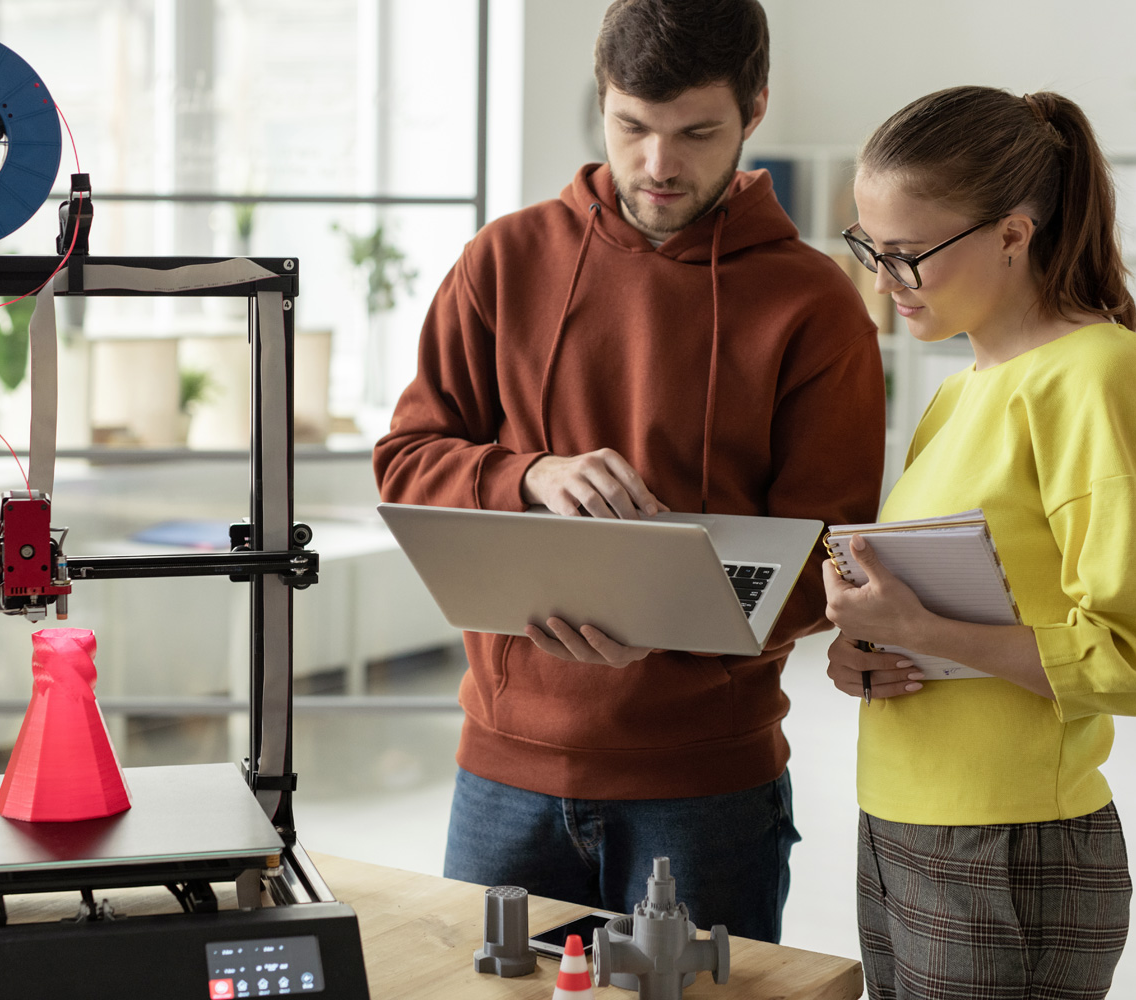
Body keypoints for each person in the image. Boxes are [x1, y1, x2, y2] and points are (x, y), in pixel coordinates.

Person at [373, 0, 885, 943]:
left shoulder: (816, 307)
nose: (659, 164)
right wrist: (529, 475)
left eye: (697, 132)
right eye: (631, 127)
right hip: (503, 773)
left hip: (705, 787)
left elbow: (829, 558)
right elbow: (406, 462)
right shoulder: (501, 260)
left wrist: (666, 629)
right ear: (601, 101)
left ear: (756, 107)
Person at [823, 85, 1136, 998]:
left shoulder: (1102, 376)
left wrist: (926, 631)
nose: (883, 280)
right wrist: (868, 649)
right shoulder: (959, 391)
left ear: (1012, 232)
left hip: (1009, 846)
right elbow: (962, 611)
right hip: (902, 821)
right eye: (870, 248)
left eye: (909, 254)